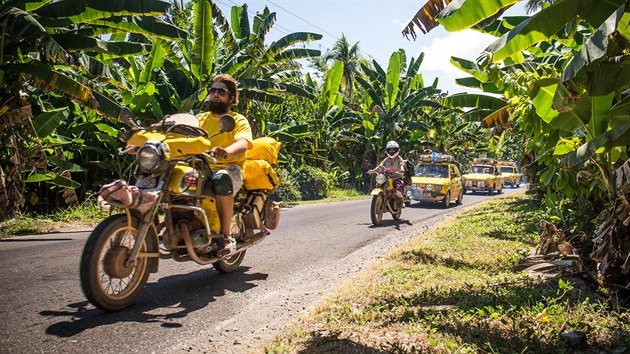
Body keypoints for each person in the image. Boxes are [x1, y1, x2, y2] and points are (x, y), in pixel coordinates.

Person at [197, 74, 253, 258]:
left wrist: (227, 151)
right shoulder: (199, 119)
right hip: (202, 168)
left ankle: (226, 237)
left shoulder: (237, 120)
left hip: (231, 168)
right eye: (212, 90)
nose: (215, 95)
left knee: (221, 179)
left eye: (221, 91)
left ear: (231, 97)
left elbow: (244, 142)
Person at [375, 140, 406, 206]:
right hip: (386, 176)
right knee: (378, 184)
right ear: (387, 151)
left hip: (396, 177)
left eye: (394, 150)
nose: (392, 152)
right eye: (390, 150)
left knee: (398, 187)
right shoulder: (386, 159)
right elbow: (380, 165)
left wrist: (402, 170)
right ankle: (380, 198)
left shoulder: (399, 159)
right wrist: (374, 170)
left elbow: (401, 165)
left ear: (397, 150)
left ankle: (401, 200)